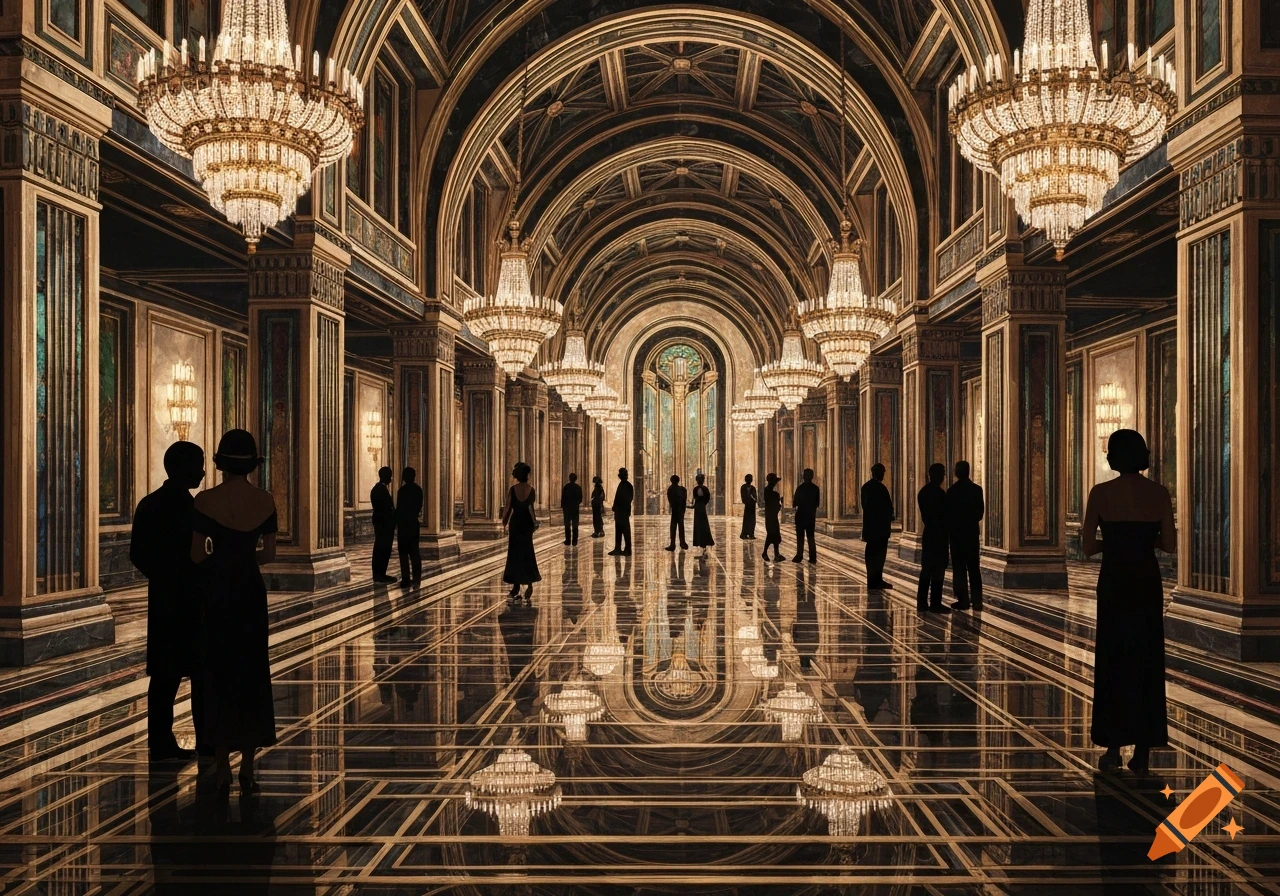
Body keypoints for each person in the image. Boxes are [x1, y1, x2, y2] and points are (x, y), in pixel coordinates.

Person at [189, 429, 278, 794]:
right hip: (250, 590)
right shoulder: (266, 500)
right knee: (251, 671)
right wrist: (245, 559)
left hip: (218, 591)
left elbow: (197, 555)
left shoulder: (205, 501)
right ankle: (247, 766)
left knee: (219, 672)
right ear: (253, 465)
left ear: (220, 463)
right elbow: (269, 555)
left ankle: (222, 762)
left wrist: (220, 560)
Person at [1083, 429, 1175, 776]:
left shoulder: (1101, 493)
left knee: (1114, 658)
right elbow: (1168, 545)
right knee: (1146, 659)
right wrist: (1140, 543)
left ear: (1113, 457)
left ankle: (1112, 746)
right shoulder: (1159, 494)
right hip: (1146, 583)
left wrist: (1115, 544)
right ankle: (1144, 751)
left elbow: (1089, 547)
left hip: (1115, 582)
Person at [131, 440, 207, 762]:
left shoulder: (148, 504)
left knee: (164, 675)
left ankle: (159, 741)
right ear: (181, 468)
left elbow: (137, 554)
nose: (203, 472)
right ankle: (206, 740)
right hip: (191, 600)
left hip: (163, 599)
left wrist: (161, 577)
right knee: (199, 673)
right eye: (198, 465)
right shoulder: (195, 510)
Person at [946, 460, 985, 610]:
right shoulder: (977, 490)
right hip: (971, 534)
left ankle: (962, 600)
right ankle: (977, 601)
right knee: (974, 568)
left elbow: (948, 515)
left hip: (956, 536)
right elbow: (979, 513)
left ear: (956, 472)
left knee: (959, 569)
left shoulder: (952, 491)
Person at [501, 462, 541, 605]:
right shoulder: (531, 489)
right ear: (527, 476)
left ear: (517, 476)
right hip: (527, 523)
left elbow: (508, 507)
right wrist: (535, 522)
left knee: (514, 553)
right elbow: (530, 508)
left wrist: (504, 522)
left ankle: (516, 586)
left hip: (516, 523)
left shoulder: (513, 489)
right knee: (527, 552)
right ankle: (529, 584)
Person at [916, 463, 950, 613]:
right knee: (937, 570)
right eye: (941, 473)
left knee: (927, 569)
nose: (943, 477)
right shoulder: (940, 494)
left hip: (929, 533)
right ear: (933, 474)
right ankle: (935, 602)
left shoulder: (923, 492)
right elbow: (945, 515)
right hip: (939, 534)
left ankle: (922, 602)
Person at [860, 463, 894, 590]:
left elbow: (866, 507)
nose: (883, 475)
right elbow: (886, 507)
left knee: (871, 554)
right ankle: (876, 581)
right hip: (880, 528)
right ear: (877, 473)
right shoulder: (880, 488)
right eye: (882, 472)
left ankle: (873, 581)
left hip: (870, 527)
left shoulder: (866, 487)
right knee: (879, 555)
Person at [396, 467, 423, 585]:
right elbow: (418, 506)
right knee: (414, 551)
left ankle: (406, 578)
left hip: (403, 524)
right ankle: (417, 578)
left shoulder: (401, 491)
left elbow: (399, 509)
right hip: (413, 523)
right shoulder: (419, 490)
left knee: (403, 552)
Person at [369, 466, 396, 584]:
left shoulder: (376, 489)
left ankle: (379, 574)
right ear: (385, 476)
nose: (391, 478)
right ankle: (380, 574)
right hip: (384, 524)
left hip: (380, 522)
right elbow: (387, 508)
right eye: (390, 476)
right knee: (383, 549)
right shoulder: (382, 490)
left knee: (380, 548)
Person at [792, 468, 820, 563]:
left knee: (800, 537)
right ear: (812, 477)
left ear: (803, 476)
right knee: (811, 537)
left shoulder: (800, 488)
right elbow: (817, 503)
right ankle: (813, 557)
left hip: (800, 515)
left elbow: (794, 503)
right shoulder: (816, 488)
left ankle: (799, 556)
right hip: (811, 516)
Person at [609, 467, 634, 556]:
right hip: (620, 511)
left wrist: (619, 507)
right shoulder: (623, 484)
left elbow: (627, 499)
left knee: (625, 530)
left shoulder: (627, 485)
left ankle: (627, 549)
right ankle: (618, 548)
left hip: (623, 512)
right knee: (619, 530)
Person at [762, 473, 783, 561]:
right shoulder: (773, 493)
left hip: (770, 516)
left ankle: (776, 554)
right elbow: (776, 506)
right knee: (771, 535)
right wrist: (780, 501)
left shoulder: (767, 490)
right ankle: (765, 553)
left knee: (775, 535)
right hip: (772, 516)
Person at [691, 473, 715, 555]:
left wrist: (702, 503)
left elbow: (707, 498)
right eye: (699, 479)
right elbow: (695, 499)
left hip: (701, 508)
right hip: (698, 508)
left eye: (701, 479)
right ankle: (699, 542)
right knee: (698, 524)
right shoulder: (695, 489)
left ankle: (704, 541)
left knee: (703, 525)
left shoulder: (705, 489)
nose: (700, 481)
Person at [665, 474, 688, 551]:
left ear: (671, 481)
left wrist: (673, 507)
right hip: (680, 510)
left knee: (673, 527)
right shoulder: (683, 489)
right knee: (681, 526)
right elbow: (684, 501)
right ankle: (682, 543)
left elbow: (670, 501)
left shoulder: (670, 489)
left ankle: (672, 544)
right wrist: (683, 510)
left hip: (675, 511)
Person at [561, 473, 583, 546]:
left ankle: (568, 541)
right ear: (575, 479)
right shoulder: (578, 487)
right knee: (575, 525)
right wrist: (576, 504)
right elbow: (580, 499)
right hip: (575, 508)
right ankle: (574, 541)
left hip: (567, 508)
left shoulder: (566, 487)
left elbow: (563, 498)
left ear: (569, 478)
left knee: (567, 525)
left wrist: (563, 506)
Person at [740, 474, 758, 539]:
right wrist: (747, 501)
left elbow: (755, 497)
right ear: (746, 480)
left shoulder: (753, 488)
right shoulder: (743, 487)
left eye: (750, 479)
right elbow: (743, 496)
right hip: (748, 505)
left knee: (752, 520)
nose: (749, 480)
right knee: (747, 520)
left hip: (752, 506)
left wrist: (754, 500)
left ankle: (751, 533)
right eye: (748, 479)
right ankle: (744, 533)